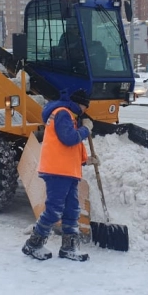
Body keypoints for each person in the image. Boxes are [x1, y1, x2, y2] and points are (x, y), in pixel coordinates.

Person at [22, 88, 98, 262]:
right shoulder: (62, 113)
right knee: (54, 210)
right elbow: (69, 139)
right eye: (85, 106)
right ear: (79, 104)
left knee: (72, 210)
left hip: (67, 171)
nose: (86, 110)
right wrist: (86, 130)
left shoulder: (69, 116)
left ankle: (69, 247)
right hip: (57, 171)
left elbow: (68, 149)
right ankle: (33, 244)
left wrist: (86, 160)